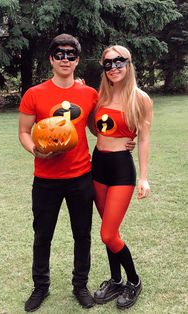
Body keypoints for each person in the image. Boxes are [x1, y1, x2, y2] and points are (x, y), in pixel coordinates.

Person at [18, 34, 135, 312]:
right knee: (42, 234)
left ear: (78, 60)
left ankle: (80, 286)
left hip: (81, 176)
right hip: (45, 179)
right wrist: (36, 149)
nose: (65, 59)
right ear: (51, 59)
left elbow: (101, 126)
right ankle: (41, 287)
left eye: (71, 55)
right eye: (59, 54)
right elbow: (23, 132)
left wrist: (126, 138)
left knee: (82, 234)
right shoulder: (34, 94)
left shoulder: (89, 94)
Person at [90, 45, 153, 310]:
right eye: (108, 63)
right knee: (110, 231)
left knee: (107, 233)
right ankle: (116, 280)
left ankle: (134, 281)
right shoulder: (101, 95)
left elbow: (145, 139)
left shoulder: (140, 99)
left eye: (119, 62)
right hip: (98, 166)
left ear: (129, 64)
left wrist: (144, 178)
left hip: (121, 172)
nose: (114, 67)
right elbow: (98, 130)